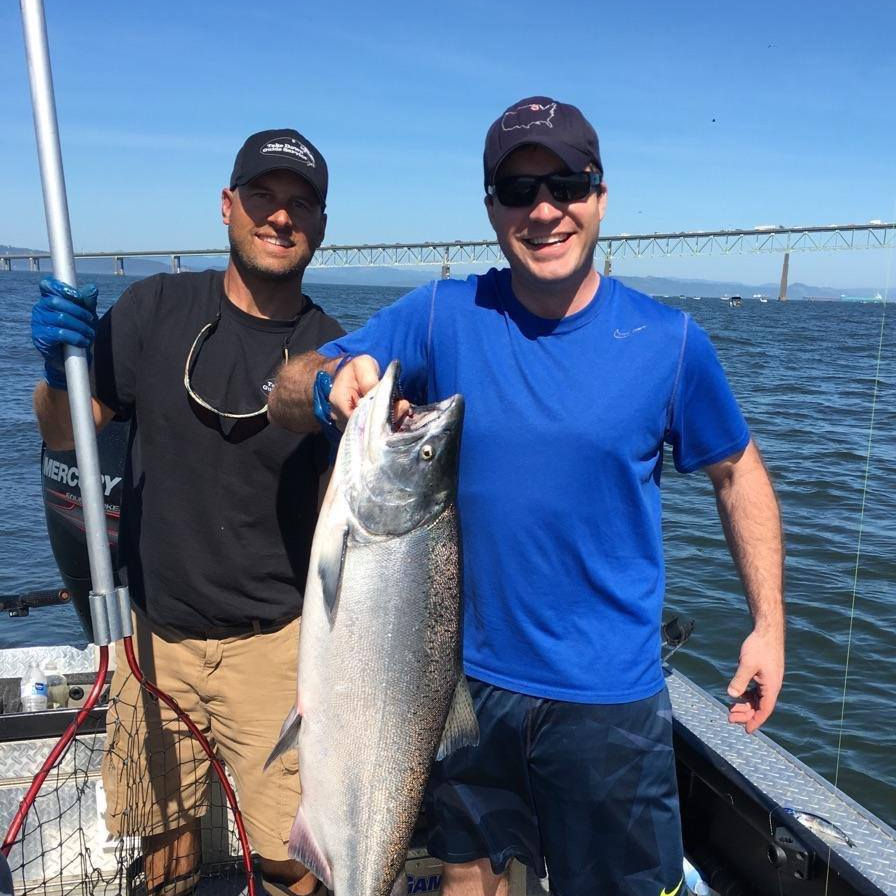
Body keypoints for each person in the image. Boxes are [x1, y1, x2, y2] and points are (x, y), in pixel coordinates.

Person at [267, 97, 786, 896]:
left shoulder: (671, 341)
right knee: (470, 876)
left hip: (608, 699)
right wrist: (335, 380)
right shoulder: (442, 314)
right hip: (455, 681)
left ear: (600, 196)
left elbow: (736, 472)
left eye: (567, 185)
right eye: (518, 192)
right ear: (491, 211)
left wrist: (769, 627)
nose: (544, 210)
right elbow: (284, 390)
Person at [31, 128, 344, 896]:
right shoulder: (154, 308)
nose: (280, 217)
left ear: (321, 228)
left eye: (301, 204)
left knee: (293, 858)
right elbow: (64, 429)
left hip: (275, 645)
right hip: (154, 637)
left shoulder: (333, 352)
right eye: (263, 197)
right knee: (164, 850)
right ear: (227, 207)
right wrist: (54, 365)